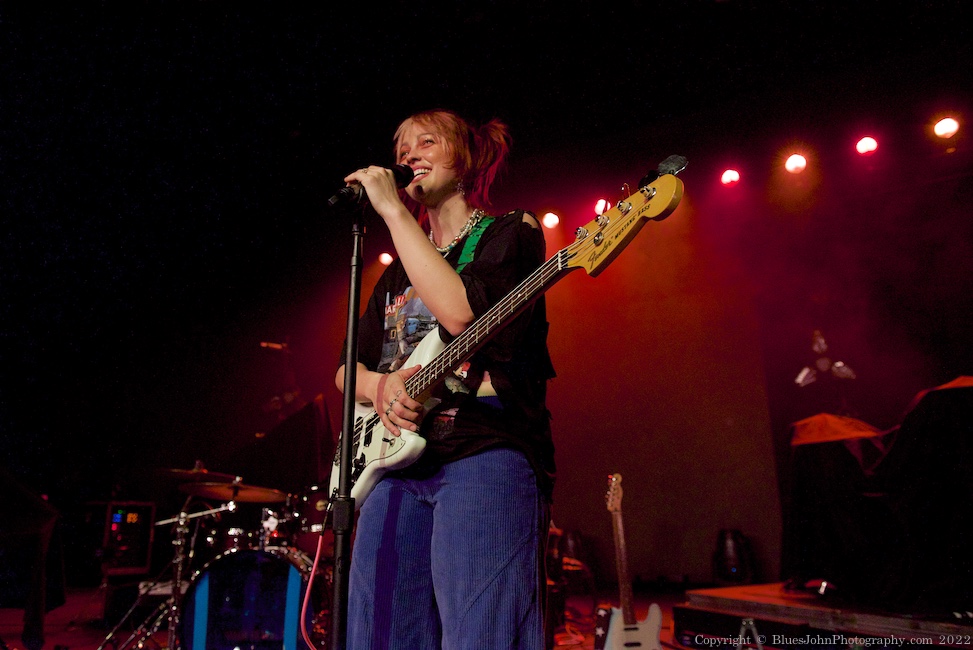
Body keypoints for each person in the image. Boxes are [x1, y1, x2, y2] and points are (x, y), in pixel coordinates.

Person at [335, 109, 556, 649]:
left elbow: (461, 312)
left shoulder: (512, 231)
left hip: (483, 451)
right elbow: (348, 371)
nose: (409, 156)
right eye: (402, 148)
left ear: (466, 160)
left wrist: (391, 208)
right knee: (379, 631)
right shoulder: (394, 271)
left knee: (482, 632)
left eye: (426, 143)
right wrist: (382, 388)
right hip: (396, 467)